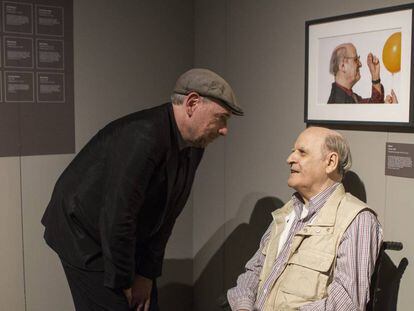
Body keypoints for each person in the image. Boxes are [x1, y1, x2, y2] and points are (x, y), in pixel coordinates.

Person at [41, 68, 244, 311]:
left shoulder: (194, 143)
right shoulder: (143, 137)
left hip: (120, 232)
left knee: (145, 303)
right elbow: (118, 216)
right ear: (192, 103)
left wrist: (146, 274)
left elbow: (168, 213)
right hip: (82, 232)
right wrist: (124, 282)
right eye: (221, 117)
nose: (224, 129)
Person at [227, 126, 382, 310]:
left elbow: (347, 303)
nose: (290, 159)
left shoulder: (357, 220)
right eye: (293, 152)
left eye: (302, 152)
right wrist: (243, 307)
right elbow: (254, 271)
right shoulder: (288, 212)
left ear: (330, 162)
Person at [327, 43, 397, 104]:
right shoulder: (338, 102)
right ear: (343, 66)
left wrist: (375, 76)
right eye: (356, 60)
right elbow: (371, 115)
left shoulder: (350, 97)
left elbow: (373, 107)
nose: (360, 64)